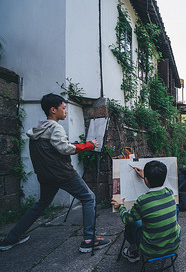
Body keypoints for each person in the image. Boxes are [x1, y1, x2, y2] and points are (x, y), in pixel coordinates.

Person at [0, 93, 110, 252]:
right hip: (62, 174)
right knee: (88, 197)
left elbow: (53, 149)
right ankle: (89, 239)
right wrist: (89, 145)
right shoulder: (55, 127)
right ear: (53, 110)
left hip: (46, 175)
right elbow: (65, 149)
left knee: (40, 205)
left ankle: (10, 238)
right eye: (64, 108)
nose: (66, 111)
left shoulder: (39, 128)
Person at [111, 160, 181, 263]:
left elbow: (126, 219)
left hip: (151, 250)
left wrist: (121, 206)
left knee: (132, 221)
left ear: (146, 180)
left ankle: (133, 251)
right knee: (175, 209)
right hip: (173, 246)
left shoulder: (143, 201)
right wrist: (146, 177)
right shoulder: (170, 193)